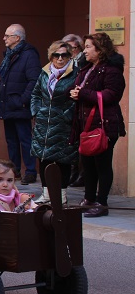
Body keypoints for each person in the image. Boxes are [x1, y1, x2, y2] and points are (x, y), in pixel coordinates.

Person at [69, 32, 126, 217]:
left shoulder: (112, 70)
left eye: (88, 47)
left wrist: (83, 94)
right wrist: (73, 93)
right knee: (88, 165)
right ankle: (89, 199)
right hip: (86, 124)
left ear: (100, 50)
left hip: (104, 125)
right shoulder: (87, 68)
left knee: (102, 165)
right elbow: (80, 89)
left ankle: (102, 203)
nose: (84, 51)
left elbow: (112, 95)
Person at [30, 41, 77, 205]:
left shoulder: (75, 73)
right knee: (44, 158)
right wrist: (36, 111)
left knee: (63, 159)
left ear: (69, 56)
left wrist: (67, 115)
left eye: (64, 55)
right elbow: (35, 93)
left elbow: (76, 99)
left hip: (63, 123)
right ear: (51, 56)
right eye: (57, 55)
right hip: (44, 122)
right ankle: (46, 194)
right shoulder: (45, 72)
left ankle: (61, 195)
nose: (60, 58)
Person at [0, 24, 41, 185]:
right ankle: (14, 172)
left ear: (17, 38)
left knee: (25, 139)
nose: (4, 38)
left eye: (7, 36)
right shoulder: (10, 55)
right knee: (11, 141)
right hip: (7, 104)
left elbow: (34, 80)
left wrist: (22, 100)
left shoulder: (29, 55)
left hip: (19, 106)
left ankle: (30, 171)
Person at [62, 33, 86, 188]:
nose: (70, 51)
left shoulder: (83, 62)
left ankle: (81, 174)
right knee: (70, 142)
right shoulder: (64, 61)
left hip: (79, 106)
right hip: (67, 105)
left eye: (73, 48)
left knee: (80, 143)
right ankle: (73, 172)